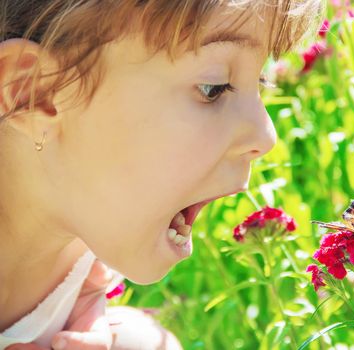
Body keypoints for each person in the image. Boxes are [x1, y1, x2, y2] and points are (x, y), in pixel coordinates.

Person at [0, 0, 323, 349]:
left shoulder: (80, 240)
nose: (266, 136)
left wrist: (87, 301)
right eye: (213, 88)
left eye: (261, 79)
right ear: (35, 93)